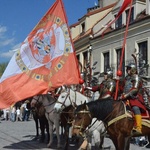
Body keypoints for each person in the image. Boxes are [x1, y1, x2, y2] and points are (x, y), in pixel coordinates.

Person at [120, 63, 146, 134]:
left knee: (135, 107)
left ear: (133, 70)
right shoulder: (127, 79)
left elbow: (135, 89)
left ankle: (138, 127)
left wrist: (125, 95)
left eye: (129, 68)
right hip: (125, 98)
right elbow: (122, 87)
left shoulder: (136, 77)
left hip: (135, 98)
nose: (127, 70)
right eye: (127, 68)